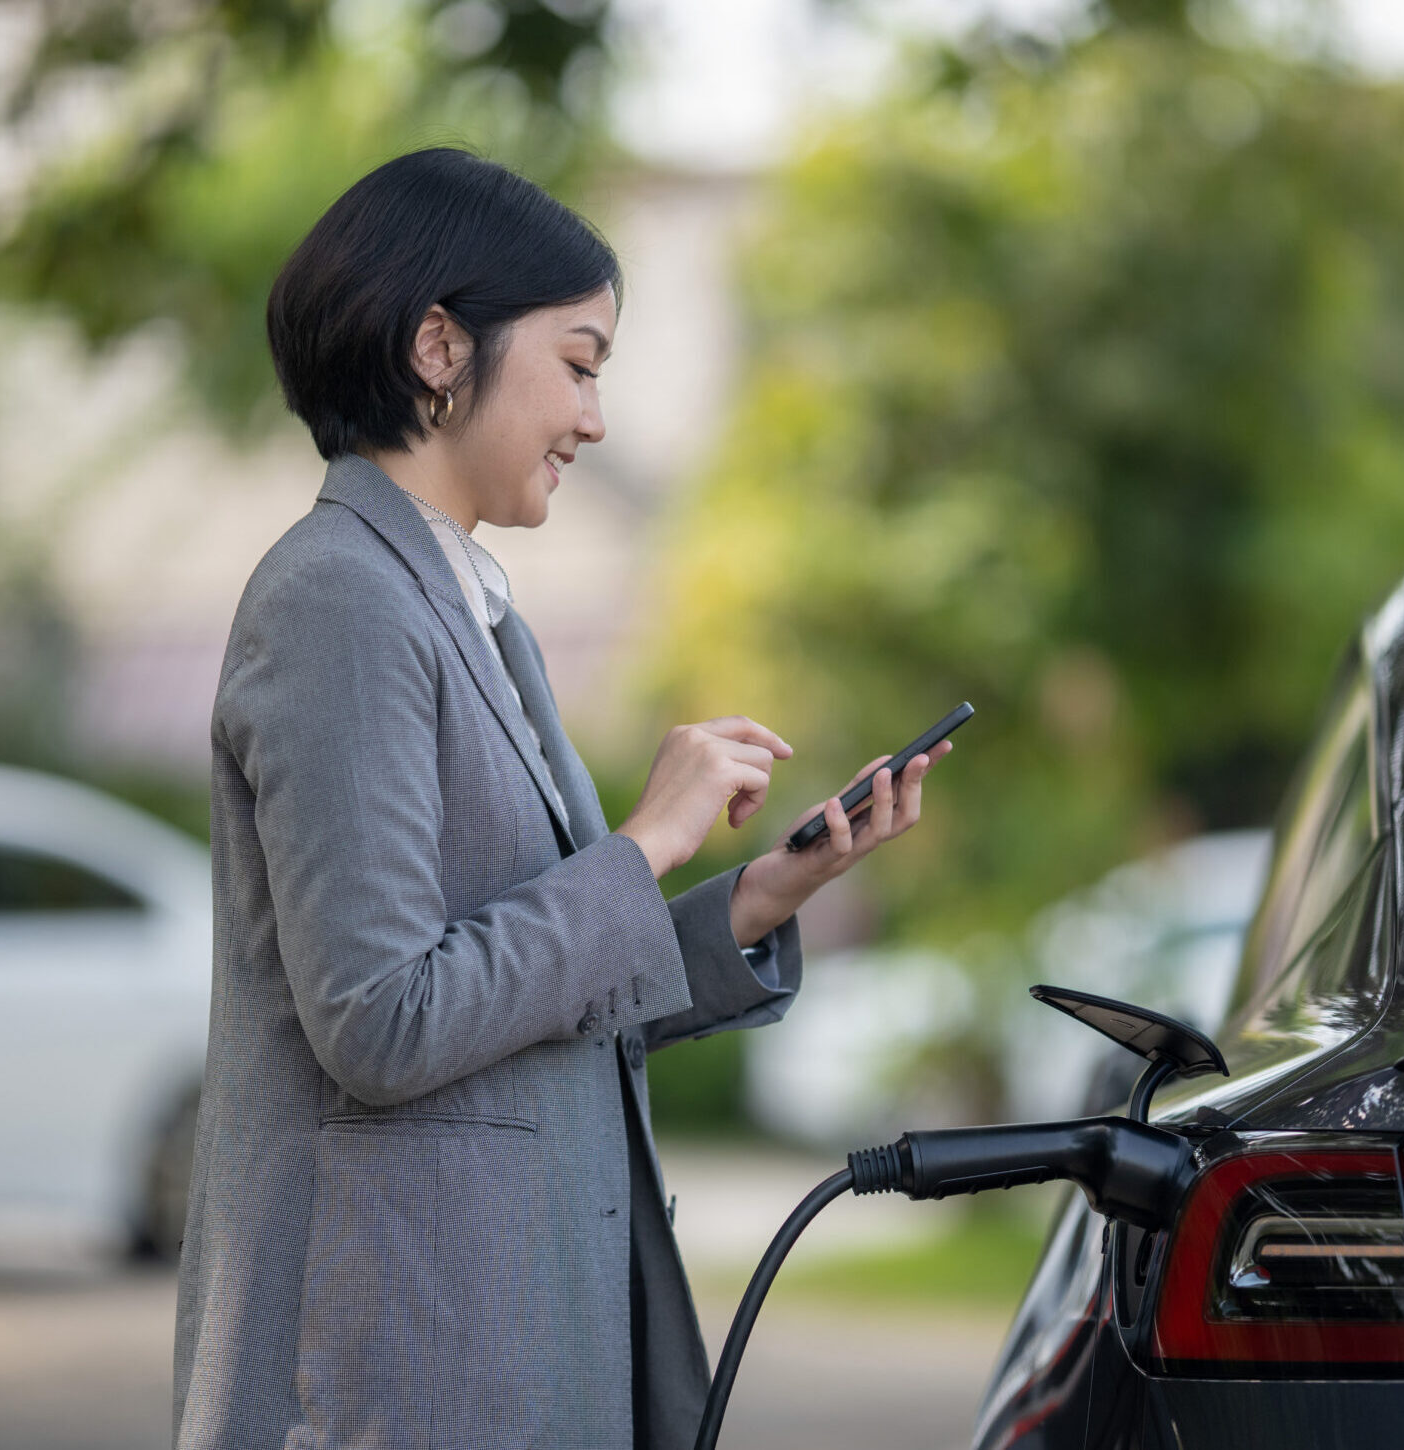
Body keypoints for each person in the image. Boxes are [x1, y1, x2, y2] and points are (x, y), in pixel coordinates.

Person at [170, 148, 949, 1450]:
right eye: (578, 364)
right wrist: (645, 839)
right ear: (436, 346)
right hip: (399, 1375)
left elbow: (537, 990)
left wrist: (756, 896)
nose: (594, 419)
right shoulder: (336, 598)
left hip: (502, 1352)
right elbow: (381, 1018)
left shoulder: (469, 611)